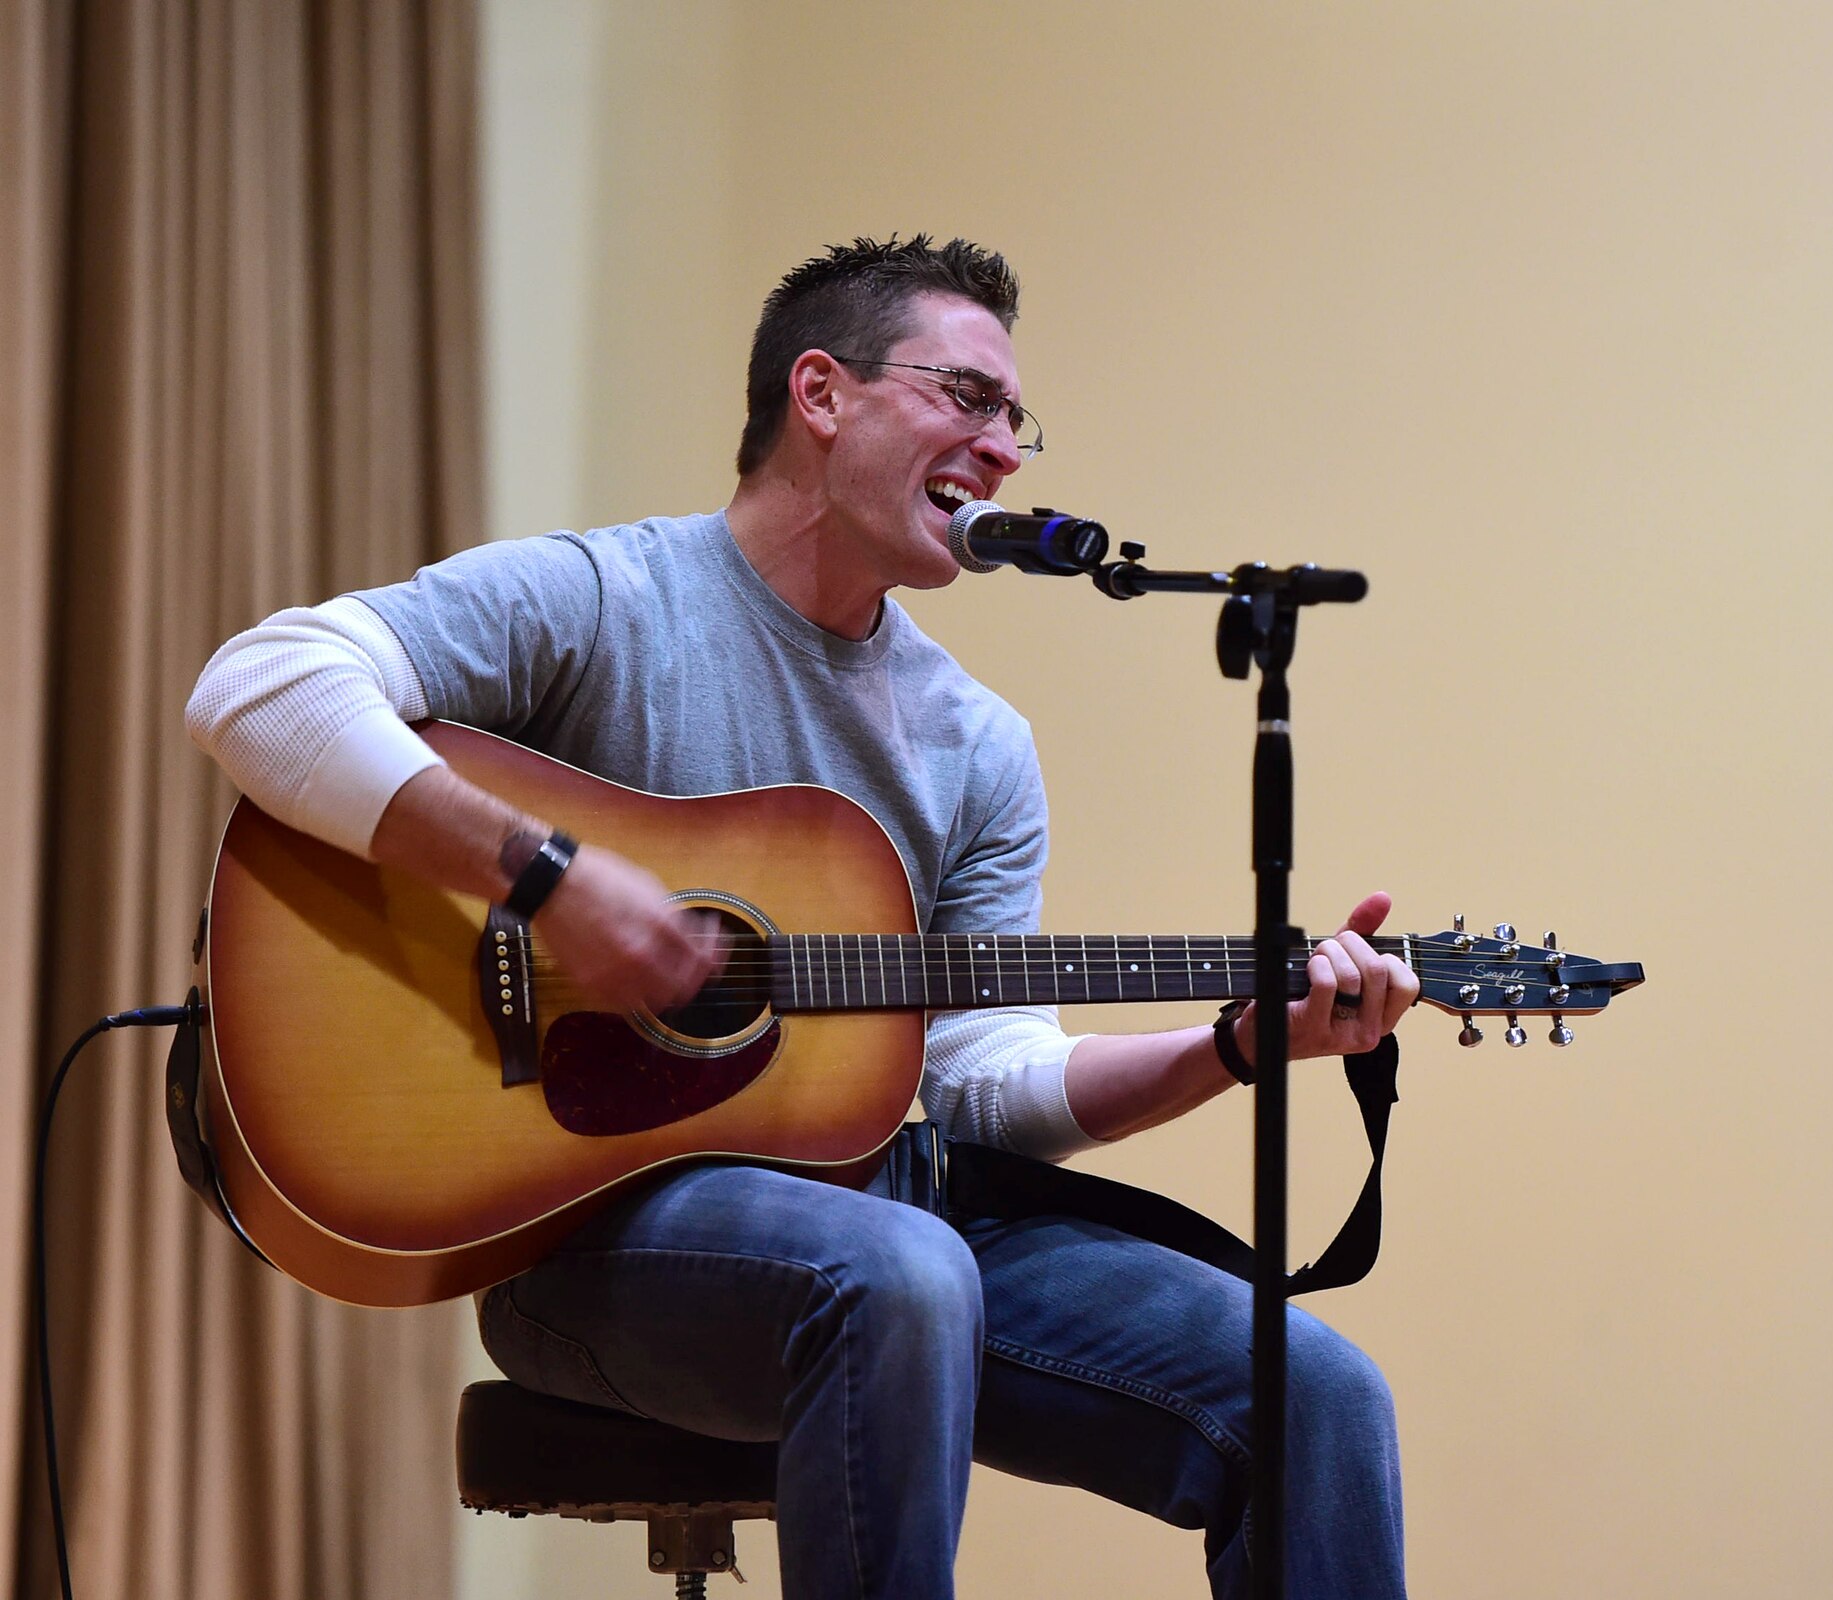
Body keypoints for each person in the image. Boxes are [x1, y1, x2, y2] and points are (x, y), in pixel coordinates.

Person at [187, 236, 1416, 1599]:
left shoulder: (975, 743)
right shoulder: (606, 599)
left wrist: (1235, 1048)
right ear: (821, 394)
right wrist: (543, 877)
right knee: (898, 1278)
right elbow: (262, 685)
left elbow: (981, 1081)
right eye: (967, 395)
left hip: (894, 1205)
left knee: (1313, 1392)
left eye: (1018, 420)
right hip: (593, 1234)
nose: (1004, 448)